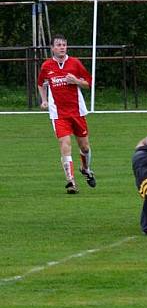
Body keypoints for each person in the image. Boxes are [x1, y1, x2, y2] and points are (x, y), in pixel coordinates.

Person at [37, 34, 96, 194]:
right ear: (52, 48)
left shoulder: (75, 63)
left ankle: (85, 168)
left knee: (84, 147)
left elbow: (89, 83)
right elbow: (40, 83)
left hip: (77, 112)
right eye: (58, 45)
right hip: (58, 114)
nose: (62, 47)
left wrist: (76, 81)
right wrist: (44, 101)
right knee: (65, 144)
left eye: (64, 44)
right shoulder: (47, 66)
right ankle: (71, 181)